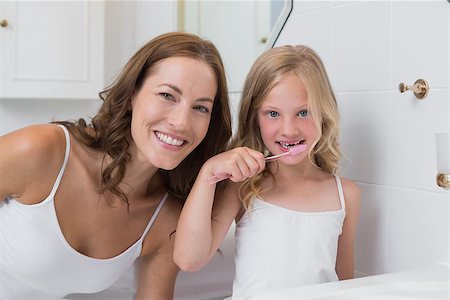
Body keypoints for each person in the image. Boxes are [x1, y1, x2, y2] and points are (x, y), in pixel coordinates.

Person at [0, 32, 232, 299]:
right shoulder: (42, 151)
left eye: (201, 108)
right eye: (167, 95)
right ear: (133, 94)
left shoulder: (165, 218)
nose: (181, 122)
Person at [174, 45, 361, 299]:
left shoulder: (346, 195)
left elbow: (345, 286)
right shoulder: (243, 186)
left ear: (324, 113)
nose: (288, 130)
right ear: (255, 117)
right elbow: (188, 259)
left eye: (303, 113)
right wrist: (208, 173)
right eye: (273, 113)